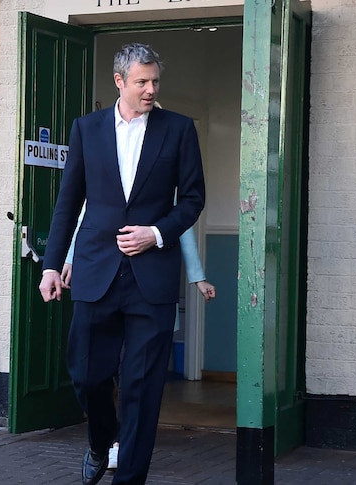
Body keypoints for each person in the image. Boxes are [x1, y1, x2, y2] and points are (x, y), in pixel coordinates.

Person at [38, 43, 205, 485]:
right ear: (119, 82)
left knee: (141, 388)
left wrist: (156, 233)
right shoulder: (87, 129)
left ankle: (127, 478)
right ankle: (100, 440)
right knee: (87, 374)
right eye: (142, 82)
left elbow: (192, 200)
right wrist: (52, 264)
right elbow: (68, 202)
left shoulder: (179, 129)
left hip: (153, 279)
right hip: (96, 272)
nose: (151, 89)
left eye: (155, 81)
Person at [62, 216, 216, 471]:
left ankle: (123, 445)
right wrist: (69, 259)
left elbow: (182, 225)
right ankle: (106, 437)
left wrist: (197, 277)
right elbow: (86, 216)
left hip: (149, 291)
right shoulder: (104, 176)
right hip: (104, 285)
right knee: (91, 372)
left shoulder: (165, 179)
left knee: (133, 375)